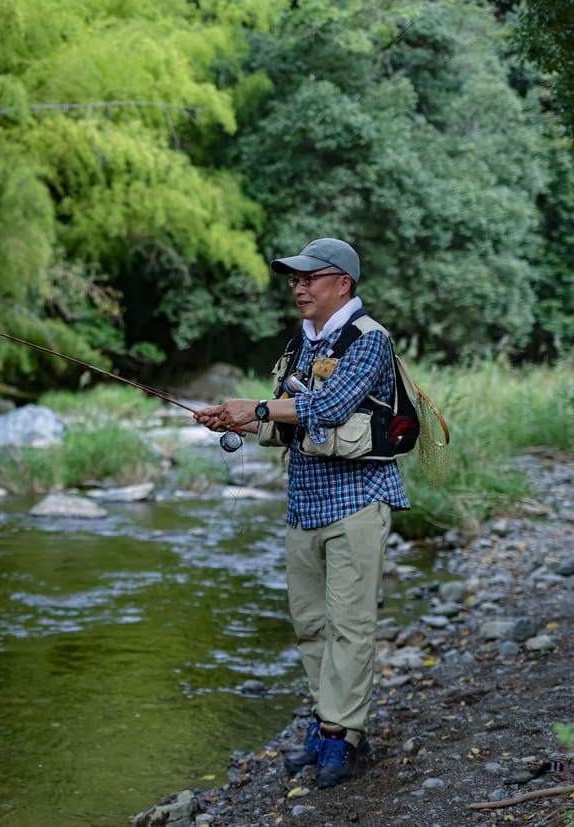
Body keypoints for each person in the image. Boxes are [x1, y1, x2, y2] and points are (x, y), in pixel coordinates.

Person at [194, 237, 410, 789]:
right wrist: (236, 420)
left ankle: (343, 736)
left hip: (359, 503)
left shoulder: (370, 341)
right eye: (294, 278)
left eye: (311, 277)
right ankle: (326, 722)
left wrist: (259, 405)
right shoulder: (298, 347)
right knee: (311, 625)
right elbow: (284, 425)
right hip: (304, 506)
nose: (299, 286)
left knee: (351, 626)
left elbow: (332, 407)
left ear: (344, 283)